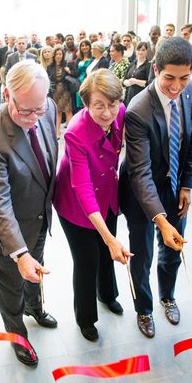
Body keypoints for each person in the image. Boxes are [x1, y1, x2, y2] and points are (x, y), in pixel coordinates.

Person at [0, 60, 58, 367]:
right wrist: (19, 254)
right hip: (9, 236)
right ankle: (17, 335)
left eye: (40, 110)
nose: (35, 119)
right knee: (11, 287)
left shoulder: (45, 107)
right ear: (7, 94)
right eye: (26, 111)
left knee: (38, 272)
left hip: (39, 218)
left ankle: (34, 307)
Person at [119, 37, 192, 339]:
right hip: (142, 193)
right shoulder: (138, 109)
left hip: (174, 185)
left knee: (172, 248)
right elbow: (140, 173)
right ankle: (145, 308)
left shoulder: (191, 92)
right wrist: (161, 219)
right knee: (142, 255)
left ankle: (168, 296)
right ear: (156, 70)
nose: (176, 86)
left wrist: (187, 186)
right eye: (169, 78)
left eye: (184, 77)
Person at [54, 69, 131, 342]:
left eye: (112, 104)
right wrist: (110, 238)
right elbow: (82, 188)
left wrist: (109, 239)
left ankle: (108, 294)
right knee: (87, 260)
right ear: (85, 103)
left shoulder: (120, 112)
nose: (107, 113)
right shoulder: (76, 133)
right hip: (76, 203)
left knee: (107, 250)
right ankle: (85, 318)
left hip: (107, 193)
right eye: (99, 105)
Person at [47, 46, 74, 139]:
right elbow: (48, 79)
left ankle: (70, 133)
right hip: (55, 91)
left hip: (65, 90)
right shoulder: (50, 66)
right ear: (54, 55)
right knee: (57, 111)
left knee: (68, 111)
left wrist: (69, 71)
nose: (58, 56)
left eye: (60, 54)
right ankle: (57, 132)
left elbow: (76, 73)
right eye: (57, 54)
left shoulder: (67, 64)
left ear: (63, 55)